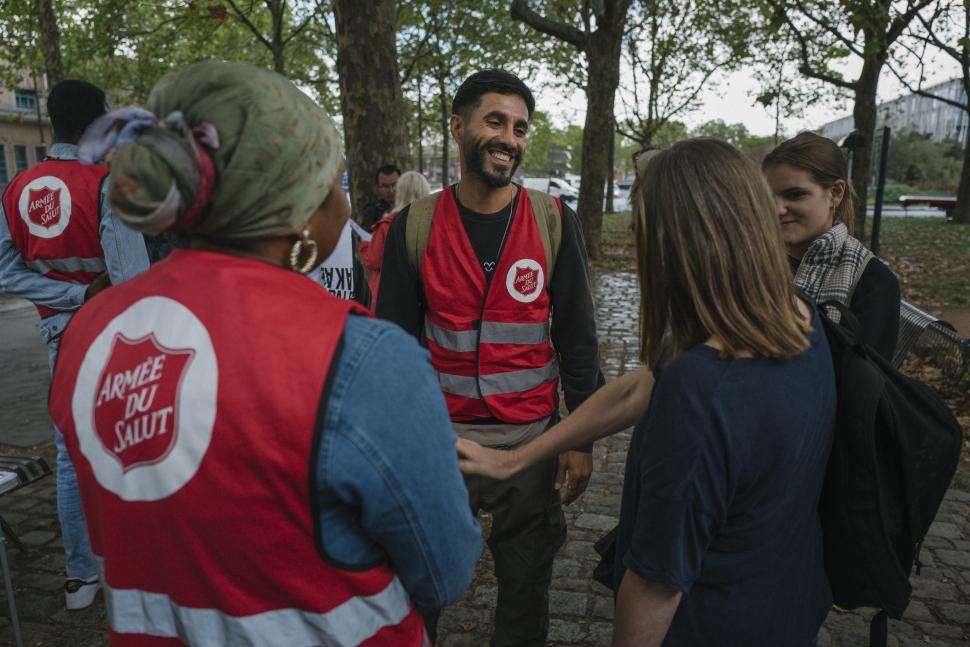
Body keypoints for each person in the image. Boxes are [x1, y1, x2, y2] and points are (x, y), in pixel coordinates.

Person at [47, 61, 480, 645]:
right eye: (335, 179)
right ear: (298, 204)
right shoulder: (362, 356)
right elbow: (443, 573)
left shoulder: (91, 333)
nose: (342, 196)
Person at [458, 139, 837, 646]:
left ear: (673, 242)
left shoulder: (701, 392)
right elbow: (642, 386)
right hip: (785, 604)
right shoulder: (797, 314)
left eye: (641, 229)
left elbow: (656, 583)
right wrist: (517, 458)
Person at [377, 69, 602, 646]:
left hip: (531, 442)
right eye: (495, 121)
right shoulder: (416, 224)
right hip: (441, 445)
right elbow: (394, 346)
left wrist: (580, 436)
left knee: (525, 588)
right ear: (458, 128)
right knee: (419, 588)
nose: (510, 137)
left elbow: (578, 334)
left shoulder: (552, 220)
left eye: (520, 127)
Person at [0, 79, 150, 610]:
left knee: (69, 454)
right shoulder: (109, 185)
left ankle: (80, 577)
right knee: (132, 443)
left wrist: (65, 293)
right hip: (113, 336)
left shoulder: (16, 188)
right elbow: (130, 279)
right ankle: (133, 568)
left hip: (58, 333)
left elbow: (5, 267)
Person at [763, 131, 901, 360]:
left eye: (796, 195)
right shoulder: (754, 262)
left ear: (835, 193)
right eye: (768, 197)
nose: (777, 209)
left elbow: (864, 384)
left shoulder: (874, 282)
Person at [361, 170, 431, 311]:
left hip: (390, 294)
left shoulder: (388, 223)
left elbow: (373, 260)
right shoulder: (435, 221)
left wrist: (366, 245)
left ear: (400, 191)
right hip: (429, 290)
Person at [361, 164, 401, 231]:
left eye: (394, 184)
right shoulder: (372, 212)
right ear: (377, 189)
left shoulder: (411, 207)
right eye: (385, 186)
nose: (391, 190)